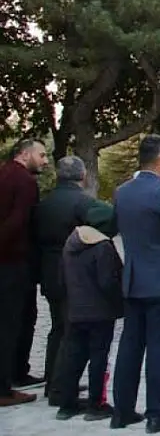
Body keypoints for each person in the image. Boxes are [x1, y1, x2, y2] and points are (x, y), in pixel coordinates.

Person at [110, 134, 160, 432]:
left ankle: (122, 410)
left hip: (133, 277)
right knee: (159, 346)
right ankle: (156, 412)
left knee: (130, 345)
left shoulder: (123, 192)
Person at [31, 156, 113, 406]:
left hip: (48, 269)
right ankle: (60, 388)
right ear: (82, 176)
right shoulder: (82, 202)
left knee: (58, 328)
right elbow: (109, 220)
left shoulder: (44, 204)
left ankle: (54, 380)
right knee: (72, 334)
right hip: (74, 273)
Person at [54, 217, 123, 422]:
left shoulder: (70, 243)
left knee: (73, 357)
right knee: (98, 357)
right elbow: (107, 282)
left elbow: (61, 279)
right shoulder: (102, 247)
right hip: (100, 312)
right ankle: (95, 404)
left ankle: (66, 404)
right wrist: (120, 302)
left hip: (74, 310)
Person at [0, 140, 48, 407]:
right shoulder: (25, 182)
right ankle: (5, 386)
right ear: (25, 153)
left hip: (9, 261)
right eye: (41, 155)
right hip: (13, 262)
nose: (44, 161)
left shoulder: (3, 173)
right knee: (11, 325)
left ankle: (15, 373)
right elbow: (18, 222)